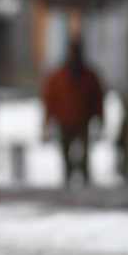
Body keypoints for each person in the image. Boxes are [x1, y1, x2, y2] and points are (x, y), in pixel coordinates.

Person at [41, 38, 104, 184]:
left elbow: (97, 99)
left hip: (82, 121)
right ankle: (68, 180)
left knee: (84, 155)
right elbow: (50, 99)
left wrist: (99, 118)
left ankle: (85, 181)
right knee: (65, 155)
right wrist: (48, 119)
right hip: (65, 121)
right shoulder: (58, 77)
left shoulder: (89, 77)